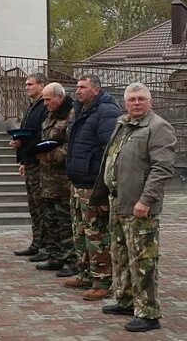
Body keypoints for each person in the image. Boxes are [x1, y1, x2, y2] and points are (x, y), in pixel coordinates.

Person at [93, 83, 175, 332]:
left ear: (150, 102)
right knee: (121, 256)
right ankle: (126, 299)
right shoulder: (123, 124)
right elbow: (112, 160)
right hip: (118, 203)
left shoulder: (158, 127)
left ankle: (149, 313)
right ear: (125, 102)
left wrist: (146, 200)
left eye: (141, 99)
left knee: (143, 260)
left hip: (140, 207)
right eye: (132, 99)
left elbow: (162, 169)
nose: (136, 103)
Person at [64, 74, 121, 300]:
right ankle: (85, 273)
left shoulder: (106, 111)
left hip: (93, 185)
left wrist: (104, 188)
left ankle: (103, 281)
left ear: (95, 90)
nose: (77, 91)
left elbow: (109, 150)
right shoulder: (81, 109)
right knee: (80, 233)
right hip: (77, 183)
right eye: (77, 87)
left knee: (96, 235)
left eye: (82, 87)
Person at [33, 83, 75, 273]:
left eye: (48, 100)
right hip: (47, 178)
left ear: (60, 97)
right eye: (44, 100)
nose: (45, 103)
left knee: (64, 222)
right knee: (50, 220)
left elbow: (71, 146)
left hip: (62, 180)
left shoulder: (71, 115)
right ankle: (54, 256)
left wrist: (51, 155)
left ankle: (70, 261)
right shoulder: (51, 113)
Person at [11, 74, 48, 259]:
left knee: (41, 206)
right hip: (30, 161)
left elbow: (42, 135)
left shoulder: (44, 106)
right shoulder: (31, 106)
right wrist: (22, 158)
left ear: (41, 86)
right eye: (26, 84)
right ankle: (36, 243)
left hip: (40, 161)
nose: (26, 87)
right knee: (34, 206)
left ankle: (45, 246)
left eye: (30, 84)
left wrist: (23, 143)